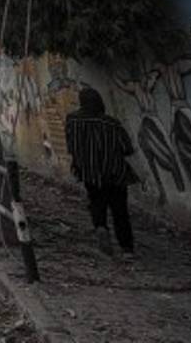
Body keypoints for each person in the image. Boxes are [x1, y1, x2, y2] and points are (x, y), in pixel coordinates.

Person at [64, 87, 138, 255]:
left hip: (90, 172)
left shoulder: (73, 120)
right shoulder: (111, 122)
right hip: (115, 173)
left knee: (96, 203)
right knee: (120, 211)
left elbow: (71, 146)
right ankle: (127, 248)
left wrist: (81, 164)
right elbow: (127, 148)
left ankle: (100, 227)